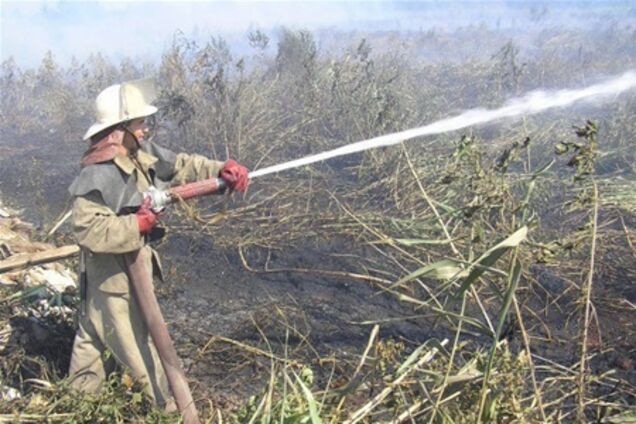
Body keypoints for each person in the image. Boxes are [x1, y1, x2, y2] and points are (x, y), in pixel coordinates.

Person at [66, 78, 249, 409]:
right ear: (119, 130)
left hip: (110, 278)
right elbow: (87, 229)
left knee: (92, 338)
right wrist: (135, 224)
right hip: (114, 280)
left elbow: (180, 165)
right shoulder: (96, 175)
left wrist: (222, 169)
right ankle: (166, 412)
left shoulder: (140, 153)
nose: (146, 129)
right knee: (137, 347)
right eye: (139, 123)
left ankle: (77, 406)